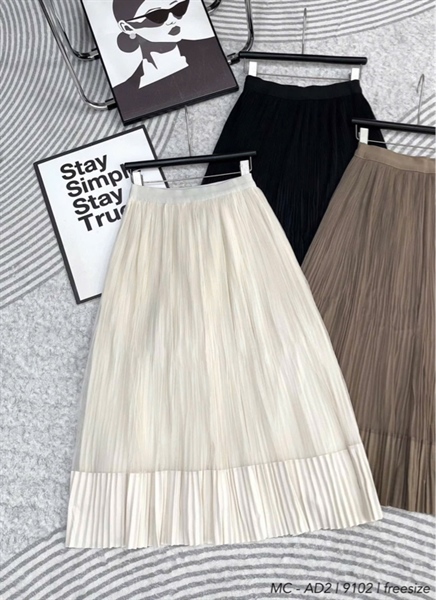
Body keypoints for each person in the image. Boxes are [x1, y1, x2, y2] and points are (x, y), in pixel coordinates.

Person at [111, 0, 237, 122]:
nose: (172, 20)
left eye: (179, 8)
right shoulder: (125, 93)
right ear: (127, 27)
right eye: (157, 16)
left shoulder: (211, 53)